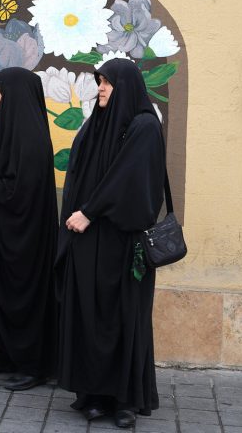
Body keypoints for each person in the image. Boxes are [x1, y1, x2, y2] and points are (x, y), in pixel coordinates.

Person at [55, 58, 166, 428]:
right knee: (89, 314)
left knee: (123, 318)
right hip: (87, 241)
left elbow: (128, 180)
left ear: (127, 86)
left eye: (107, 83)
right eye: (99, 81)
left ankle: (124, 401)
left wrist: (88, 211)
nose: (100, 88)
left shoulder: (145, 127)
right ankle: (93, 394)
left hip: (123, 241)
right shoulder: (97, 125)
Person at [0, 67, 58, 391]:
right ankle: (2, 353)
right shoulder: (5, 129)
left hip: (24, 237)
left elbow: (25, 188)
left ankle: (33, 365)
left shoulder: (30, 138)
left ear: (15, 94)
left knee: (22, 295)